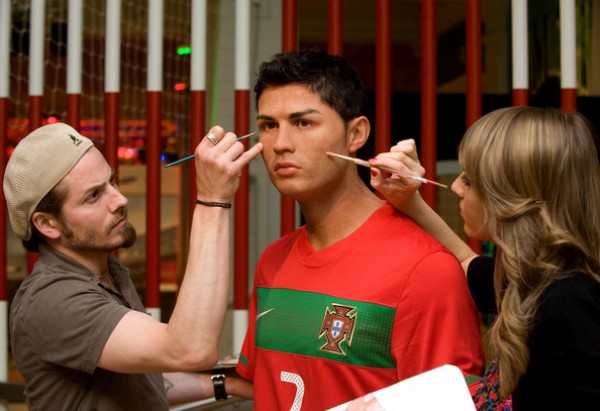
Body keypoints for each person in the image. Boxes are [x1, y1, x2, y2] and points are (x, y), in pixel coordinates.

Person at [235, 49, 485, 410]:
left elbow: (449, 403)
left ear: (357, 134)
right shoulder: (272, 262)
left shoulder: (424, 269)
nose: (280, 144)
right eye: (268, 125)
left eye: (303, 123)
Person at [4, 122, 261, 410]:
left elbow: (137, 383)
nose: (120, 200)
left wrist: (226, 383)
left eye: (111, 182)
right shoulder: (53, 298)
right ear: (47, 224)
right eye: (93, 196)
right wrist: (213, 200)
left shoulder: (105, 271)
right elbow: (191, 349)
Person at [369, 106, 600, 410]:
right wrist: (410, 201)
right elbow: (465, 262)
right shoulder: (531, 277)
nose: (455, 187)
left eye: (469, 179)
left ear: (511, 195)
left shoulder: (567, 303)